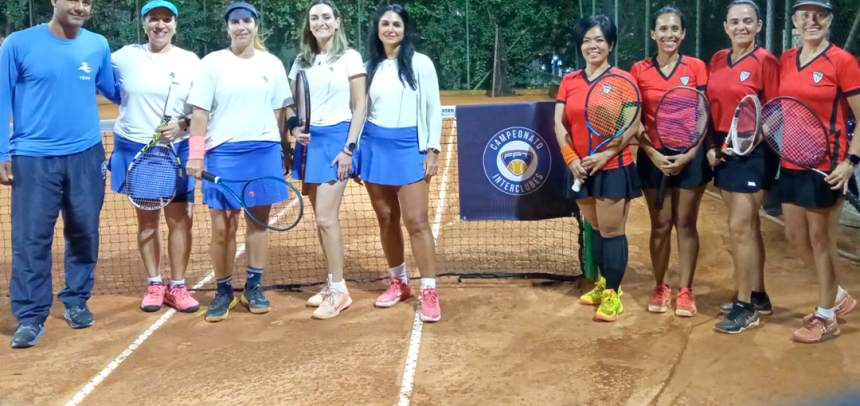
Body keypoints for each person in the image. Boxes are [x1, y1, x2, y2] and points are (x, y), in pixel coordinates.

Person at [0, 0, 119, 348]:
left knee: (85, 231)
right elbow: (1, 98)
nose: (80, 6)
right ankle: (30, 316)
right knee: (31, 239)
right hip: (33, 158)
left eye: (87, 1)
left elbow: (114, 89)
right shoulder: (18, 43)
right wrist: (2, 152)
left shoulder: (97, 44)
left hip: (86, 154)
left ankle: (76, 299)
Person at [185, 2, 293, 322]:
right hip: (223, 154)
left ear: (255, 25)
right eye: (235, 22)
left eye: (247, 20)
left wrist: (285, 150)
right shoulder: (212, 63)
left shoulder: (272, 64)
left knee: (258, 223)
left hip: (263, 151)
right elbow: (200, 113)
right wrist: (195, 154)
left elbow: (280, 112)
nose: (241, 26)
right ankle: (223, 291)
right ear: (228, 27)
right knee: (223, 227)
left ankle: (253, 287)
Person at [776, 0, 860, 343]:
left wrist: (849, 162)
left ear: (829, 20)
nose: (812, 21)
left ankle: (827, 318)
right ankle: (837, 296)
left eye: (820, 15)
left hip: (828, 166)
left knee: (820, 240)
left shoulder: (842, 61)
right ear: (795, 20)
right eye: (805, 15)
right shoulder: (786, 60)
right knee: (794, 235)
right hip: (791, 162)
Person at [110, 0, 201, 313]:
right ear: (144, 24)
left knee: (181, 220)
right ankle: (154, 283)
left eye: (166, 19)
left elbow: (204, 108)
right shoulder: (123, 57)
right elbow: (104, 84)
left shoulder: (191, 61)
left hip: (178, 150)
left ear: (175, 25)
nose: (160, 25)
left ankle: (178, 286)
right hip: (139, 149)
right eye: (153, 19)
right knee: (147, 221)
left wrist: (183, 125)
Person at [359, 4, 443, 322]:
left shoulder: (421, 63)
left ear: (405, 29)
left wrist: (432, 149)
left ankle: (429, 290)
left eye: (396, 24)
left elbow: (433, 107)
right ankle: (399, 283)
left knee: (417, 221)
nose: (391, 29)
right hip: (374, 147)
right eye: (385, 24)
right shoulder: (369, 66)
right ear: (377, 29)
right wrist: (356, 151)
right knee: (386, 218)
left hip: (411, 147)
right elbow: (360, 110)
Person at [555, 15, 642, 322]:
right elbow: (560, 124)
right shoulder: (569, 81)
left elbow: (631, 126)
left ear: (611, 44)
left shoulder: (624, 81)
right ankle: (604, 283)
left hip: (613, 166)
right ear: (580, 46)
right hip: (580, 168)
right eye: (587, 40)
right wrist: (571, 159)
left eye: (600, 40)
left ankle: (613, 295)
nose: (593, 46)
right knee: (595, 227)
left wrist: (605, 156)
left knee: (612, 230)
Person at [630, 6, 711, 318]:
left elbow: (703, 113)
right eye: (662, 28)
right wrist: (652, 153)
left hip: (691, 155)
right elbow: (635, 119)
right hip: (653, 157)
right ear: (653, 34)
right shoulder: (639, 70)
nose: (669, 34)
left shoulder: (696, 67)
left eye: (675, 28)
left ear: (683, 33)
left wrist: (690, 154)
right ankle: (660, 285)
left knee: (686, 223)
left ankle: (685, 289)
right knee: (661, 224)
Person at [289, 0, 366, 320]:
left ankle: (339, 291)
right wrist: (294, 128)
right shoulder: (301, 60)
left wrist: (349, 149)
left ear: (337, 22)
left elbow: (360, 106)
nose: (320, 22)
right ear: (308, 25)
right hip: (309, 144)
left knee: (325, 217)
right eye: (314, 18)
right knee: (320, 220)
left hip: (337, 142)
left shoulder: (350, 57)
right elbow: (291, 104)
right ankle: (332, 281)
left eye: (325, 17)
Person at [705, 0, 779, 334]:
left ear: (759, 25)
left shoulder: (766, 62)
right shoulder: (718, 59)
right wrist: (712, 147)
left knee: (739, 228)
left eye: (748, 21)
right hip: (725, 147)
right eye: (734, 22)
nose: (741, 27)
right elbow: (712, 107)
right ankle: (759, 295)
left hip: (754, 151)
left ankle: (745, 306)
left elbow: (777, 111)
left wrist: (749, 141)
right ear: (726, 27)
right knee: (749, 228)